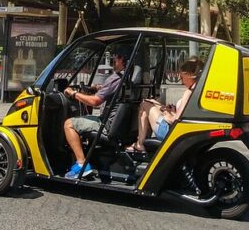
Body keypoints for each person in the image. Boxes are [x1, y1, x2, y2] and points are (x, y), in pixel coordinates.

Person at [63, 47, 130, 179]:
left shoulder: (116, 78)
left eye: (115, 58)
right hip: (121, 125)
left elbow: (95, 101)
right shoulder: (129, 78)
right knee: (84, 119)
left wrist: (74, 93)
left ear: (121, 60)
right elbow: (110, 91)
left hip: (106, 125)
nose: (113, 60)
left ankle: (81, 163)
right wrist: (98, 87)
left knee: (69, 124)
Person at [126, 57, 204, 152]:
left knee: (144, 104)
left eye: (182, 77)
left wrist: (168, 116)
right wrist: (170, 110)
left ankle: (139, 144)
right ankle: (141, 142)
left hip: (170, 133)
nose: (182, 81)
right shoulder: (200, 90)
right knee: (151, 102)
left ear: (189, 75)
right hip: (181, 132)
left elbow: (175, 120)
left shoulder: (189, 92)